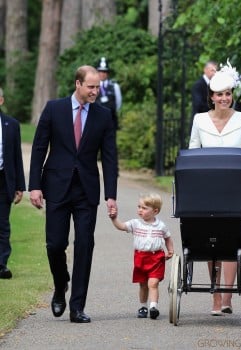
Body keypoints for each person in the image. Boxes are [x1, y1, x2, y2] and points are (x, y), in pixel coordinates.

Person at [29, 65, 118, 323]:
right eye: (90, 87)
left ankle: (77, 307)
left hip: (86, 190)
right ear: (78, 84)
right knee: (55, 245)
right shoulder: (54, 109)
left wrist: (111, 194)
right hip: (56, 185)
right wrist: (35, 185)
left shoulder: (104, 115)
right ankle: (60, 285)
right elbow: (38, 148)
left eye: (97, 87)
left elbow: (110, 158)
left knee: (84, 245)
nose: (95, 91)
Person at [189, 60, 241, 316]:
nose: (224, 98)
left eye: (228, 93)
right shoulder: (199, 120)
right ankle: (215, 297)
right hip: (207, 189)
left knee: (230, 240)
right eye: (219, 94)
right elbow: (193, 152)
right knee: (210, 243)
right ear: (212, 97)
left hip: (234, 188)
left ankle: (226, 297)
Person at [109, 193, 174, 320]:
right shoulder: (135, 223)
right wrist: (114, 218)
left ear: (155, 211)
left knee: (153, 283)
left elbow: (168, 238)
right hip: (141, 258)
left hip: (156, 258)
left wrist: (170, 249)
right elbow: (121, 226)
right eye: (139, 207)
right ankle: (143, 306)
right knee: (143, 284)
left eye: (144, 208)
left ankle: (153, 307)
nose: (140, 210)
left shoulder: (161, 225)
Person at [0, 87, 26, 279]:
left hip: (3, 180)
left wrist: (19, 186)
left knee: (2, 224)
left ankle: (1, 264)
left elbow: (17, 157)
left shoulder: (11, 124)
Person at [96, 57, 122, 131]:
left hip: (111, 122)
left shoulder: (114, 86)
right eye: (100, 71)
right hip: (96, 122)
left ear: (108, 73)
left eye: (105, 72)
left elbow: (118, 103)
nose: (102, 74)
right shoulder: (92, 86)